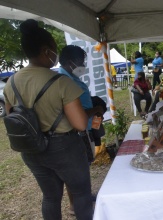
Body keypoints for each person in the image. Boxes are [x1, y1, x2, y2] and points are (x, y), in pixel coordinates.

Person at [3, 19, 93, 220]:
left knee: (51, 198)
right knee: (81, 195)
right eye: (54, 49)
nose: (56, 55)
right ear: (46, 51)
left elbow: (11, 116)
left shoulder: (11, 82)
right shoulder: (61, 82)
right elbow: (79, 123)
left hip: (31, 149)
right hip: (64, 148)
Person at [58, 45, 105, 215]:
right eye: (81, 61)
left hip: (84, 128)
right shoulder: (63, 80)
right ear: (71, 61)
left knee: (84, 166)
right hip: (75, 132)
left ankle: (84, 197)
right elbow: (73, 112)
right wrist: (94, 110)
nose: (83, 64)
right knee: (77, 172)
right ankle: (75, 206)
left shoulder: (70, 77)